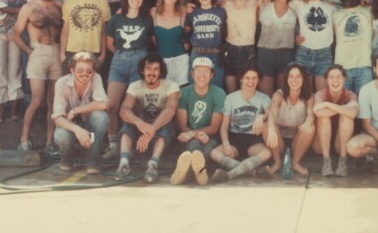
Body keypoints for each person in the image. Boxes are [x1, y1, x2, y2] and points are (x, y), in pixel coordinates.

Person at [104, 0, 156, 161]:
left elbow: (153, 41)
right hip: (118, 61)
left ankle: (132, 144)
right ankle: (113, 145)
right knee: (111, 105)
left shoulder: (147, 19)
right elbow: (110, 43)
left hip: (138, 61)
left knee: (134, 106)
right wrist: (121, 54)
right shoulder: (116, 19)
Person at [13, 0, 64, 152]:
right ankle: (24, 139)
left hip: (57, 53)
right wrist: (28, 51)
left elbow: (66, 32)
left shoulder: (61, 5)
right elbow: (15, 34)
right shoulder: (28, 8)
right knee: (37, 99)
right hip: (37, 53)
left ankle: (50, 142)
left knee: (54, 101)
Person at [113, 53, 180, 183]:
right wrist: (139, 123)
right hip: (141, 129)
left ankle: (153, 165)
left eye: (156, 69)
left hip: (159, 129)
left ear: (161, 72)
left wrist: (151, 130)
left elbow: (170, 110)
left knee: (166, 125)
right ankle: (124, 163)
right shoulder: (135, 86)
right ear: (142, 71)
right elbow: (123, 110)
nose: (151, 73)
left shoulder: (171, 86)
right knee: (128, 124)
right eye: (148, 69)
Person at [210, 65, 273, 183]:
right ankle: (253, 172)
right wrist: (226, 143)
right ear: (241, 79)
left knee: (267, 153)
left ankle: (229, 175)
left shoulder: (264, 98)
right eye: (247, 78)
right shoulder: (230, 98)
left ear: (258, 80)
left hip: (253, 138)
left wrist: (261, 116)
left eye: (254, 78)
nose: (251, 82)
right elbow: (224, 127)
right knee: (214, 153)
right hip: (235, 136)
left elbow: (271, 114)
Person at [170, 57, 225, 186]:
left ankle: (185, 173)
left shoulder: (219, 93)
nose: (202, 75)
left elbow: (214, 127)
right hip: (188, 135)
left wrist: (196, 134)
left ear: (212, 75)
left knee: (207, 150)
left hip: (210, 136)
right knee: (193, 146)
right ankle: (199, 172)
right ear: (192, 74)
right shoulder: (183, 93)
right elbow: (182, 125)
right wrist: (193, 135)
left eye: (206, 71)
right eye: (198, 71)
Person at [52, 52, 109, 174]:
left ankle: (93, 160)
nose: (85, 74)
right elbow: (57, 118)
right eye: (80, 70)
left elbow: (103, 103)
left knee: (101, 117)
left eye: (89, 71)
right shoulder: (61, 83)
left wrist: (75, 110)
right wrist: (77, 129)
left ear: (93, 72)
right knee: (61, 135)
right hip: (69, 126)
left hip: (89, 124)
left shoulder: (96, 78)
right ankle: (66, 158)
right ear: (72, 70)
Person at [264, 64, 316, 176]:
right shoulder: (278, 95)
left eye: (298, 76)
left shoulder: (309, 96)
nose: (294, 80)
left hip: (297, 140)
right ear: (286, 79)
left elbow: (311, 115)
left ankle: (295, 163)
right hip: (279, 140)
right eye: (291, 76)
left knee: (310, 127)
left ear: (303, 79)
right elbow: (272, 113)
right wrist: (272, 129)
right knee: (266, 125)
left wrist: (307, 123)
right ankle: (277, 162)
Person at [289, 0, 336, 93]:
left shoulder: (330, 7)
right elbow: (283, 14)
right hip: (304, 52)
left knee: (322, 94)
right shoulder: (298, 4)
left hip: (324, 54)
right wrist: (295, 35)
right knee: (305, 94)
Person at [60, 0, 110, 69]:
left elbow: (103, 32)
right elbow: (65, 30)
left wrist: (103, 54)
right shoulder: (69, 1)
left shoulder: (103, 3)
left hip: (94, 52)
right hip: (72, 51)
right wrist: (62, 53)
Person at [311, 64, 359, 177]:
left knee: (346, 117)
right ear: (327, 80)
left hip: (340, 143)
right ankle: (326, 162)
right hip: (320, 144)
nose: (335, 80)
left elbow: (353, 114)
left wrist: (327, 105)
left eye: (338, 77)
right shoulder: (320, 94)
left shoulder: (350, 94)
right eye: (331, 77)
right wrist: (344, 108)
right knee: (324, 119)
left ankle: (343, 161)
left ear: (344, 79)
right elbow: (319, 113)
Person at [332, 0, 376, 94]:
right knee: (343, 108)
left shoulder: (370, 10)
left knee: (364, 108)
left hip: (365, 67)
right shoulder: (334, 14)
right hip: (341, 69)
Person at [256, 0, 297, 98]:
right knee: (266, 97)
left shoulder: (295, 9)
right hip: (265, 55)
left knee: (283, 96)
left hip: (286, 54)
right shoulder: (263, 7)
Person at [184, 0, 227, 89]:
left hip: (216, 54)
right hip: (197, 53)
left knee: (216, 88)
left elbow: (225, 32)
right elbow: (186, 31)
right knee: (195, 88)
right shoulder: (192, 12)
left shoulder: (221, 11)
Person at [222, 0, 260, 93]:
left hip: (249, 49)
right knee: (231, 89)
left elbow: (268, 2)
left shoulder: (254, 2)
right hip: (230, 47)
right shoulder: (225, 4)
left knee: (247, 86)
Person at [151, 0, 190, 87]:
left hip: (181, 62)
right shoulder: (153, 11)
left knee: (181, 96)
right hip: (161, 61)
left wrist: (188, 42)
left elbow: (191, 28)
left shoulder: (184, 10)